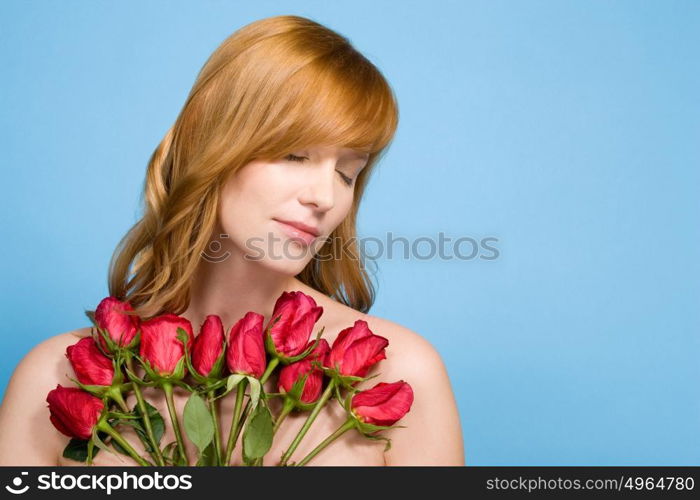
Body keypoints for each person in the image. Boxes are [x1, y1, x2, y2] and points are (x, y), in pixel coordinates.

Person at [0, 14, 464, 466]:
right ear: (212, 143)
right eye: (294, 154)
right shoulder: (55, 380)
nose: (325, 197)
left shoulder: (401, 373)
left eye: (347, 173)